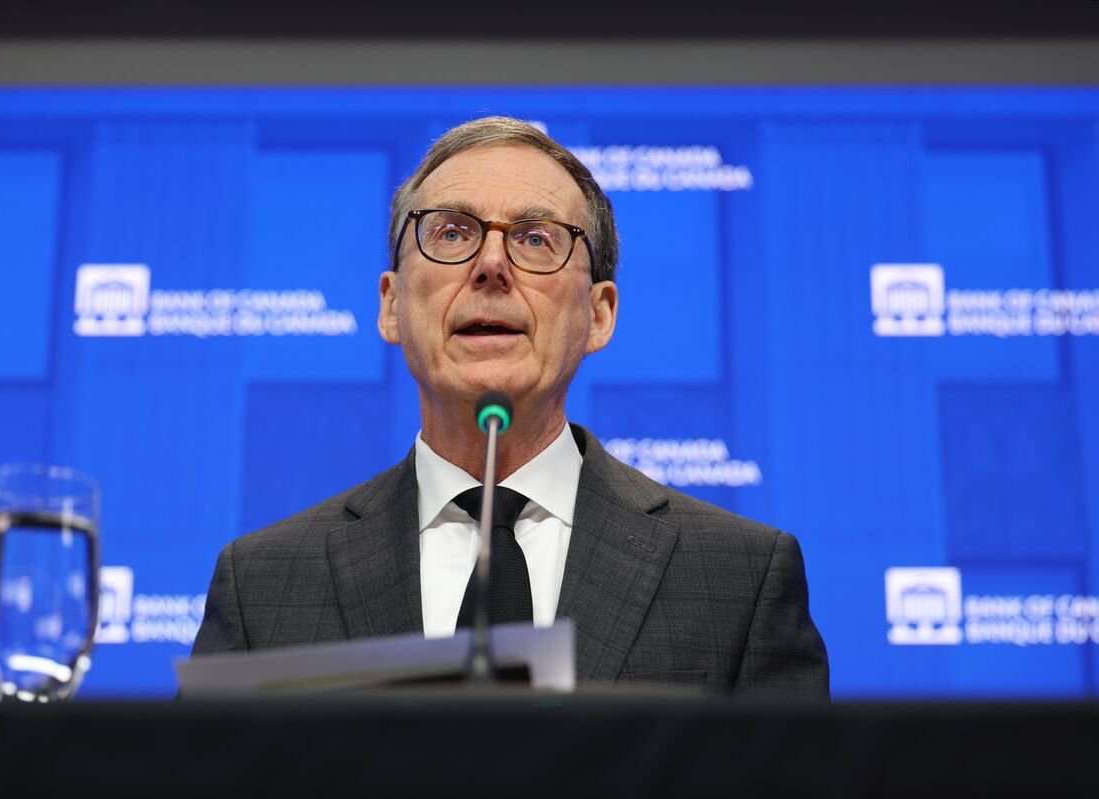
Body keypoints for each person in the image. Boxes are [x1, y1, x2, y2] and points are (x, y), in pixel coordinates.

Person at [191, 115, 829, 697]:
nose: (491, 264)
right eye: (451, 233)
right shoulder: (263, 584)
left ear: (599, 314)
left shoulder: (739, 577)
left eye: (536, 239)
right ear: (391, 305)